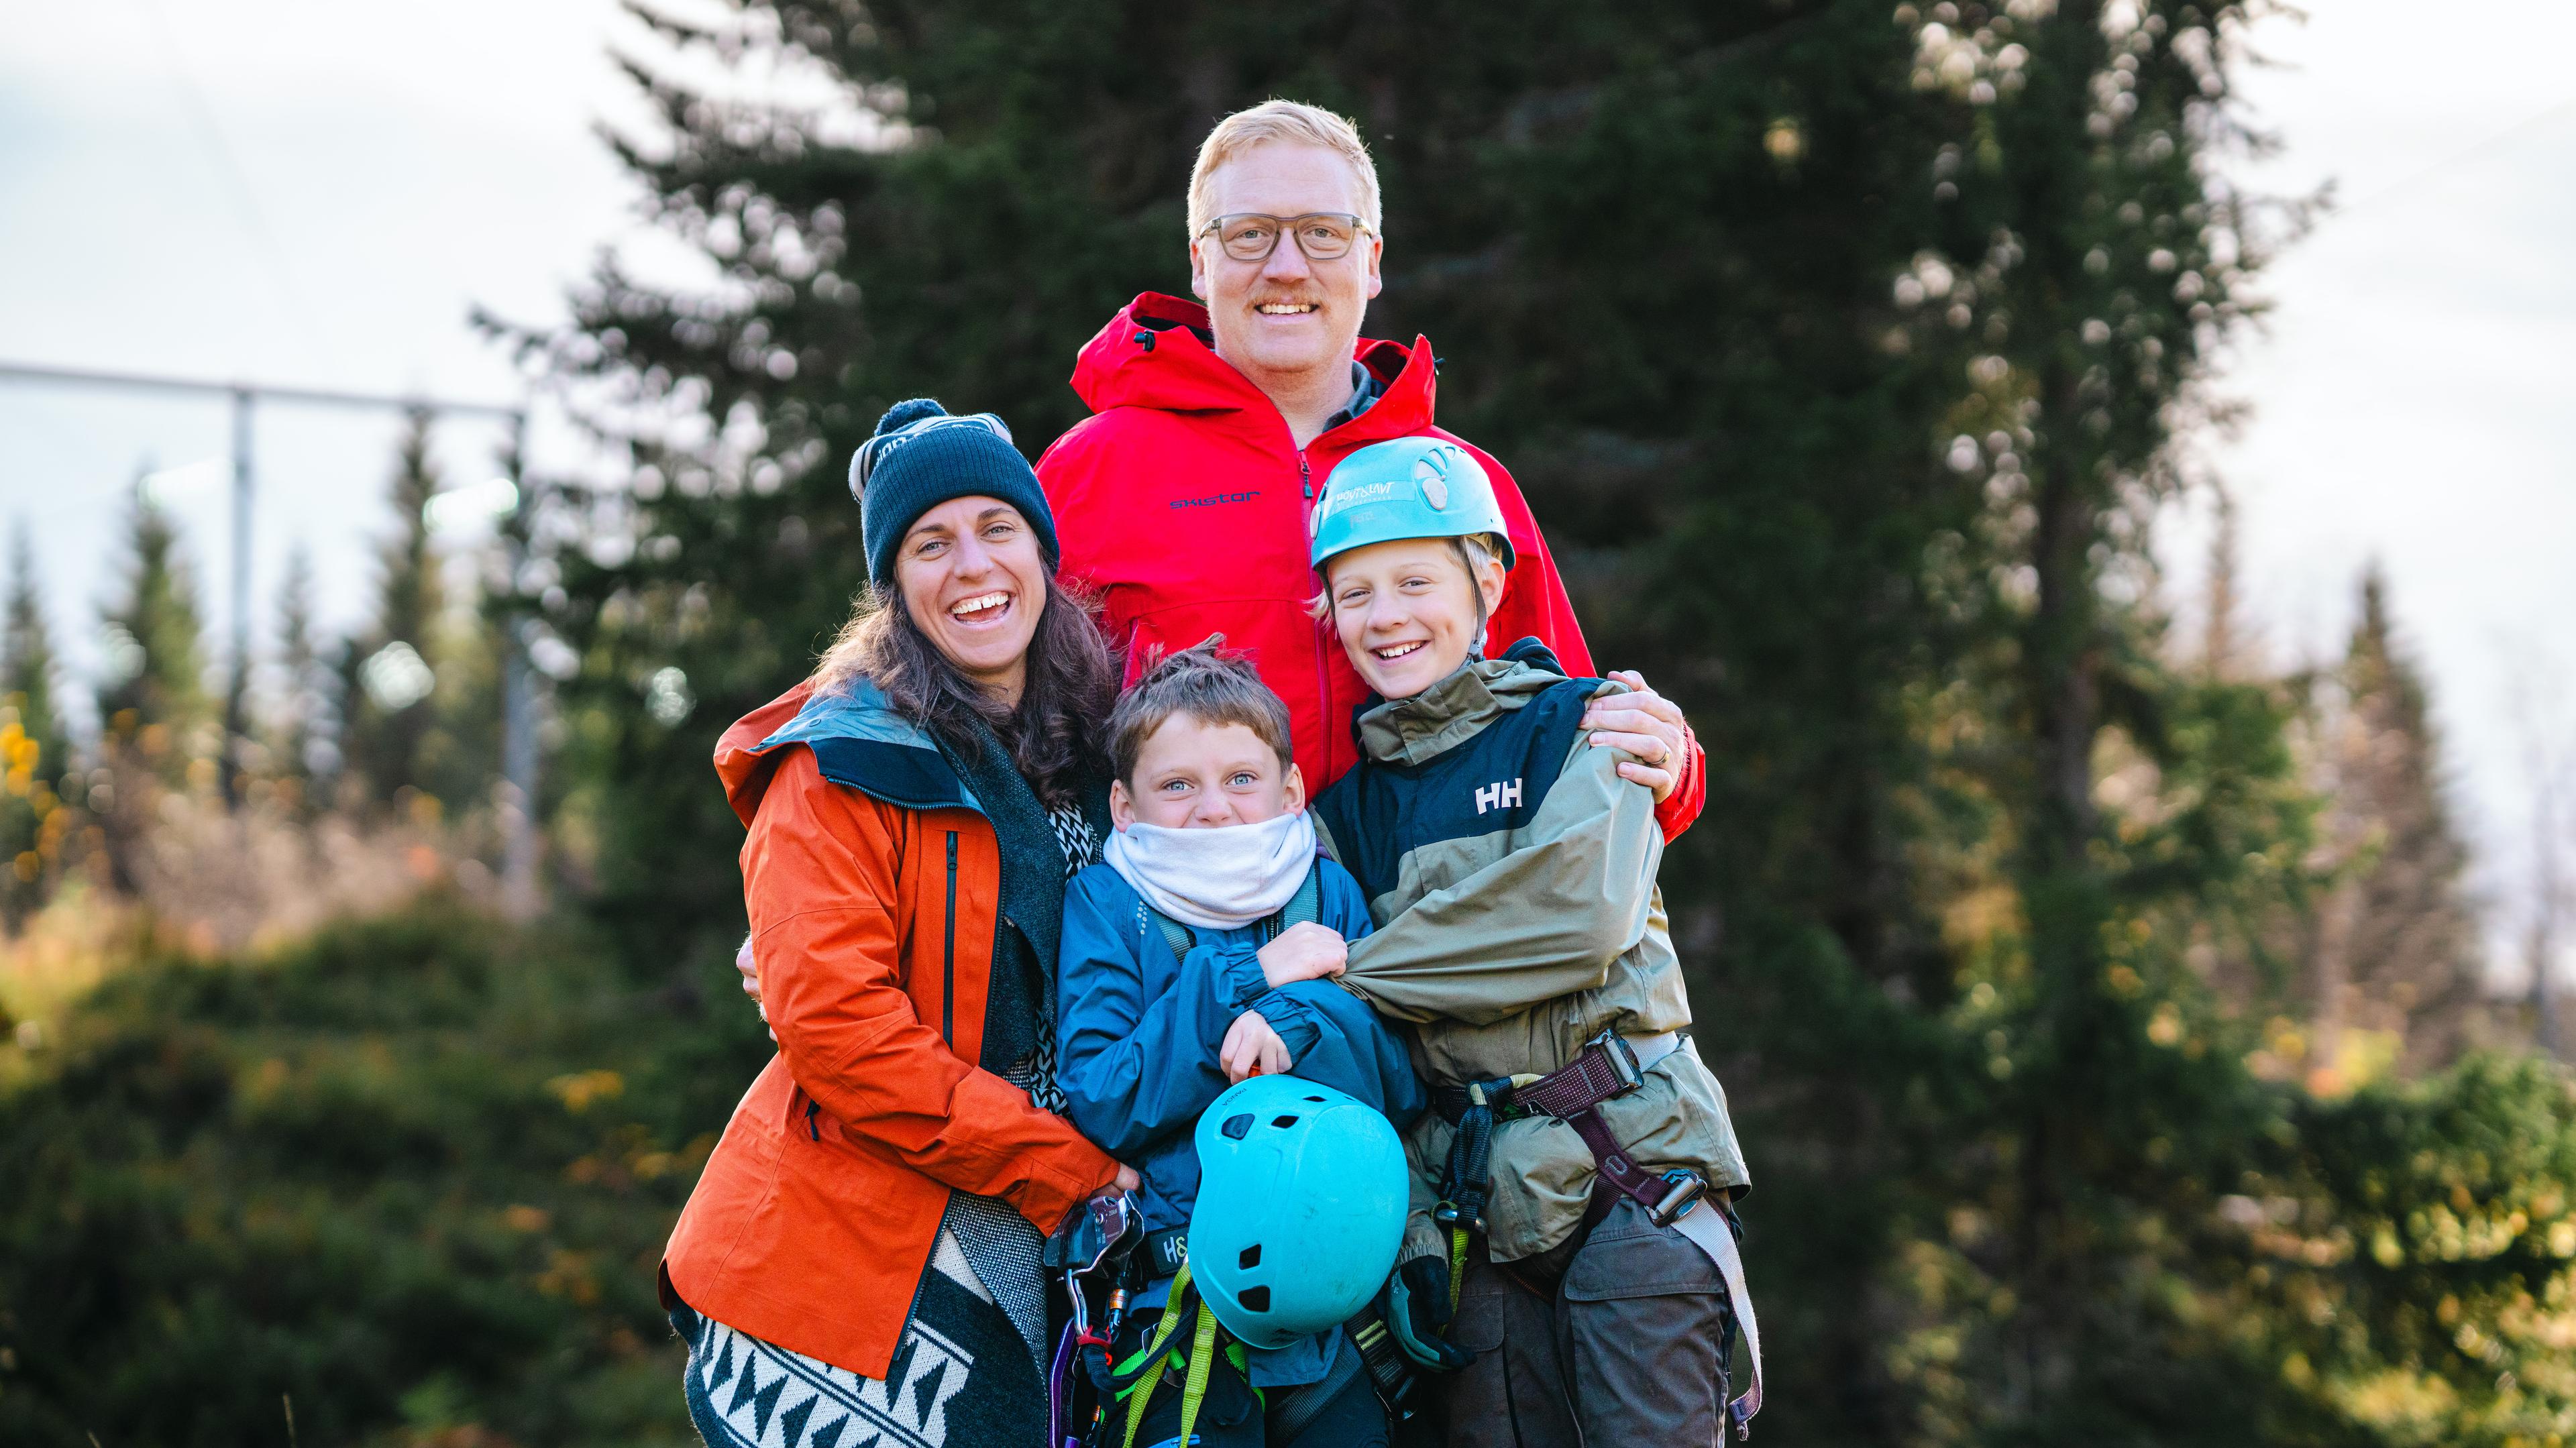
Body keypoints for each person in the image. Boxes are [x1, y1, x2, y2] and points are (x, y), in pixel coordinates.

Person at [662, 399, 1138, 1448]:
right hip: (887, 1226)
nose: (972, 566)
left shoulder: (1107, 734)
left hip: (1084, 1206)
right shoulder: (839, 760)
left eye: (997, 527)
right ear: (895, 582)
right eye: (931, 542)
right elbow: (844, 1036)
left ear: (1042, 549)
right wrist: (1068, 1170)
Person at [1033, 99, 1705, 825]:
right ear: (1200, 261)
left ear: (1372, 261)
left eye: (1323, 233)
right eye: (1250, 234)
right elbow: (1008, 739)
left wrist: (1669, 763)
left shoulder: (1460, 485)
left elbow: (1566, 737)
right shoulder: (1088, 474)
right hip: (1172, 933)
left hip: (1433, 923)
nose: (1286, 268)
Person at [1307, 437, 1760, 1447]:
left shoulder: (1591, 722)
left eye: (1415, 579)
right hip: (1479, 1217)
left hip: (1635, 1175)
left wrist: (1363, 964)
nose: (1387, 616)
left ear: (1489, 581)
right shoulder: (1342, 818)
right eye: (1356, 591)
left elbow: (1576, 917)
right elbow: (1366, 1048)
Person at [1054, 643, 1426, 1447]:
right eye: (1177, 784)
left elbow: (1396, 1073)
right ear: (1124, 806)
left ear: (1291, 790)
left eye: (1241, 779)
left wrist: (1298, 1018)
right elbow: (1105, 1095)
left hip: (1339, 1307)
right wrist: (1246, 976)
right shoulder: (1107, 903)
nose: (1214, 808)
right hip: (1177, 1307)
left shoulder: (1328, 886)